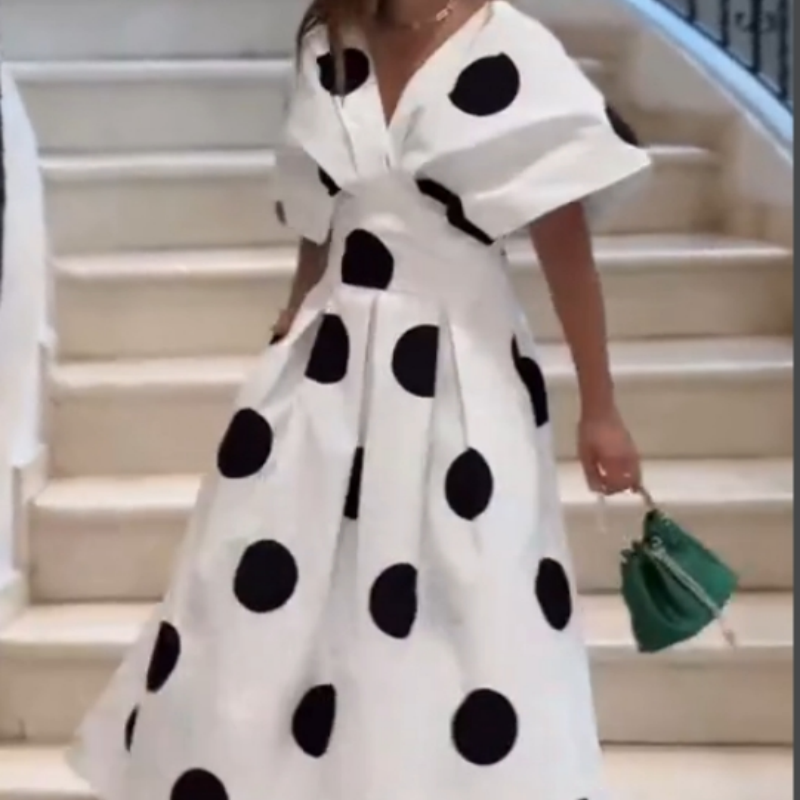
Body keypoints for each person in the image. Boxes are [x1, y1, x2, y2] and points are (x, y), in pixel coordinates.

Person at [69, 0, 652, 797]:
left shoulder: (514, 51)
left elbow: (566, 252)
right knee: (259, 591)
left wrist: (601, 406)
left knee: (472, 605)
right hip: (328, 365)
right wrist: (293, 314)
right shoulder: (331, 41)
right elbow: (320, 212)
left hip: (461, 373)